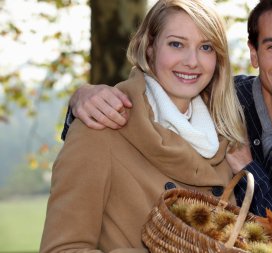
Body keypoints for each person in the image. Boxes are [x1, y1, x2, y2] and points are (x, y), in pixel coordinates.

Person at [62, 0, 272, 252]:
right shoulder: (222, 97)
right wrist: (85, 97)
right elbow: (153, 99)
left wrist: (251, 172)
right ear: (254, 53)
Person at [40, 0, 248, 252]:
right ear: (149, 47)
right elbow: (62, 248)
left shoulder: (226, 134)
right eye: (176, 44)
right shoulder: (101, 126)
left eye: (206, 47)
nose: (192, 61)